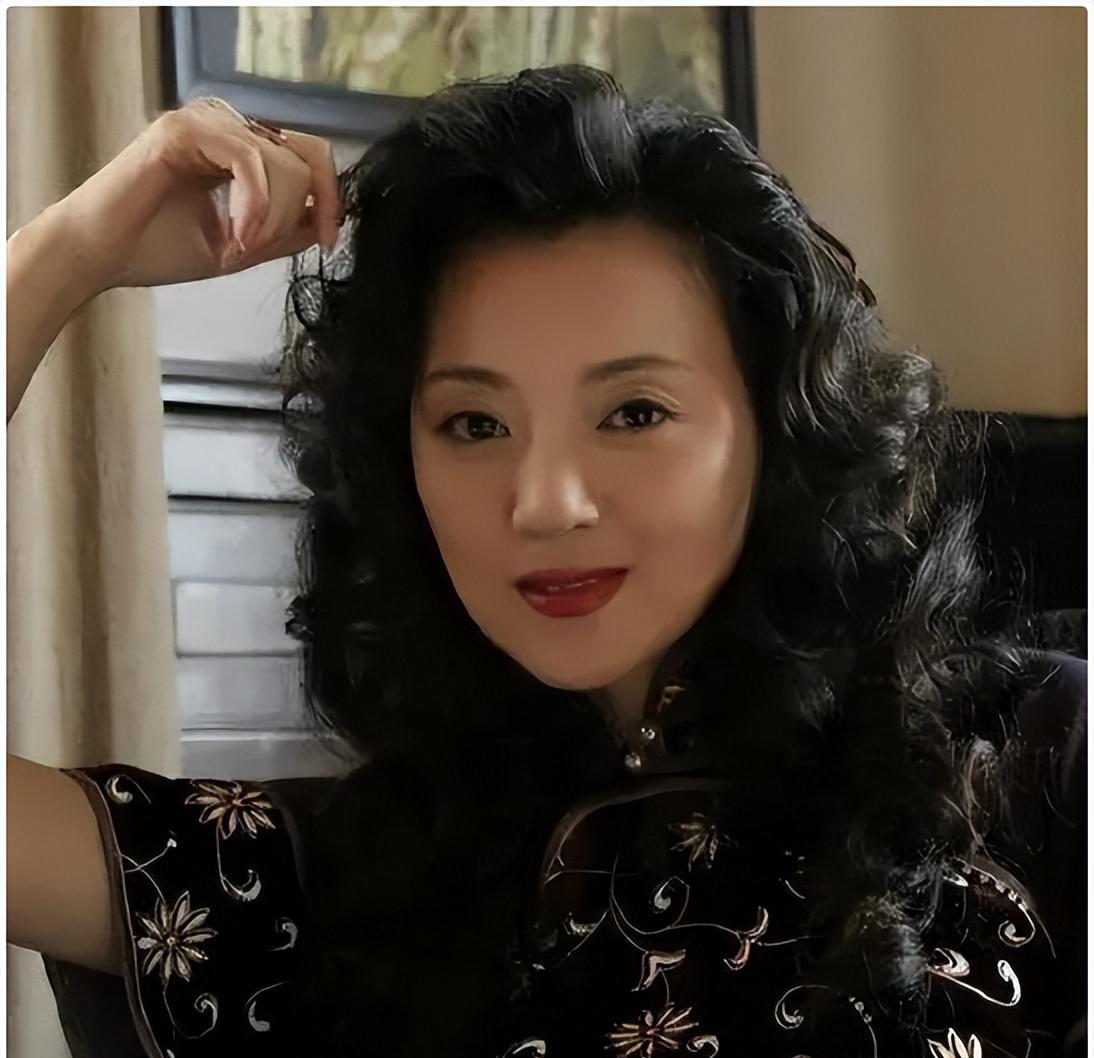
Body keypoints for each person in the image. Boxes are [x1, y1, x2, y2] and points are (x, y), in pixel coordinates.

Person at [7, 66, 1085, 1058]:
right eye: (474, 424)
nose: (547, 502)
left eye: (633, 411)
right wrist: (62, 254)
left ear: (775, 428)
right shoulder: (327, 884)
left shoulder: (1035, 760)